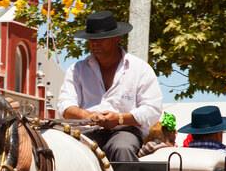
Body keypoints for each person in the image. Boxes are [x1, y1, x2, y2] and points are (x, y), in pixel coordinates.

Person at [55, 11, 162, 162]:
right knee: (62, 152)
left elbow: (152, 110)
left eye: (101, 39)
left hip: (125, 131)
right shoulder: (77, 69)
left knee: (121, 148)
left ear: (117, 37)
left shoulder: (140, 69)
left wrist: (119, 119)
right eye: (91, 39)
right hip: (86, 132)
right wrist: (88, 116)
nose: (95, 43)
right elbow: (65, 106)